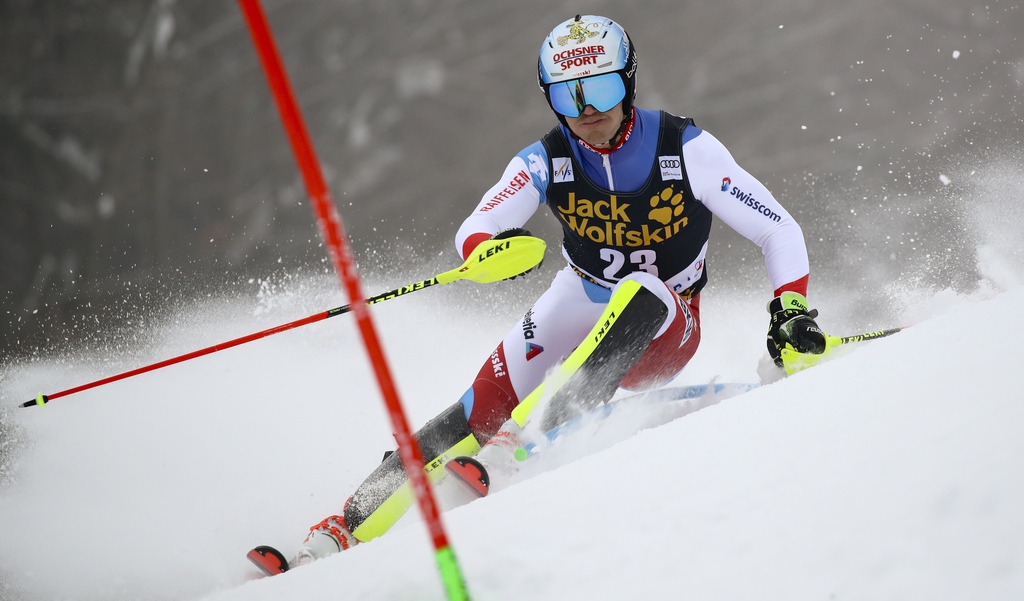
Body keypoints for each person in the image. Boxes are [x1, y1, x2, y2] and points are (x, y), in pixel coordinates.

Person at [251, 14, 826, 573]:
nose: (587, 110)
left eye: (599, 88)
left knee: (640, 288)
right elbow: (476, 226)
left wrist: (790, 309)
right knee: (477, 406)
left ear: (626, 82)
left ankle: (523, 442)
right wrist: (487, 250)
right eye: (567, 96)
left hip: (666, 323)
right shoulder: (546, 157)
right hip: (581, 297)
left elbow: (777, 228)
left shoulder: (686, 148)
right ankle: (342, 530)